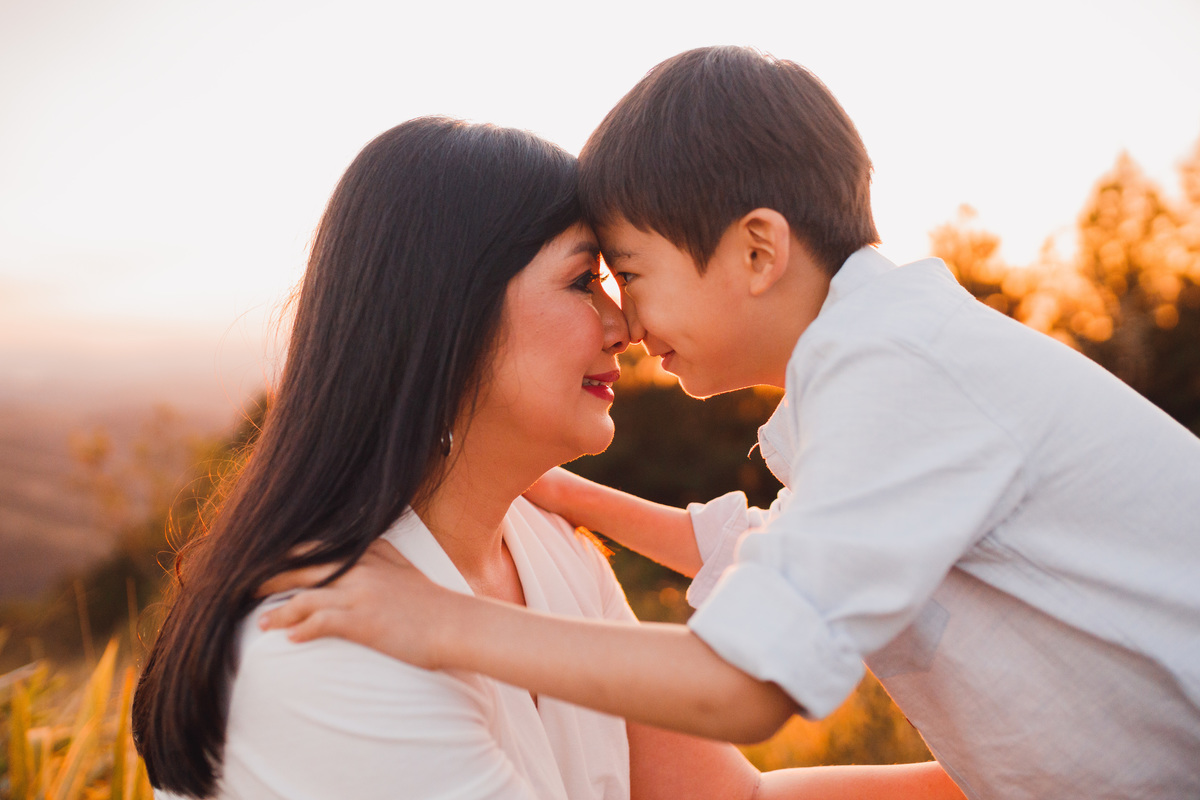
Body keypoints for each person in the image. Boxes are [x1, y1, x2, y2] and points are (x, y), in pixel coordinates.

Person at [261, 47, 1200, 798]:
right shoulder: (897, 366)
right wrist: (578, 497)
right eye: (596, 281)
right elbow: (764, 550)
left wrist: (438, 623)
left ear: (757, 250)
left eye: (628, 271)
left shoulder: (900, 383)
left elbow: (741, 684)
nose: (626, 320)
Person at [132, 116, 961, 799]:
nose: (623, 325)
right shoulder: (327, 636)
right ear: (449, 319)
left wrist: (1021, 779)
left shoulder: (549, 553)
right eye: (582, 282)